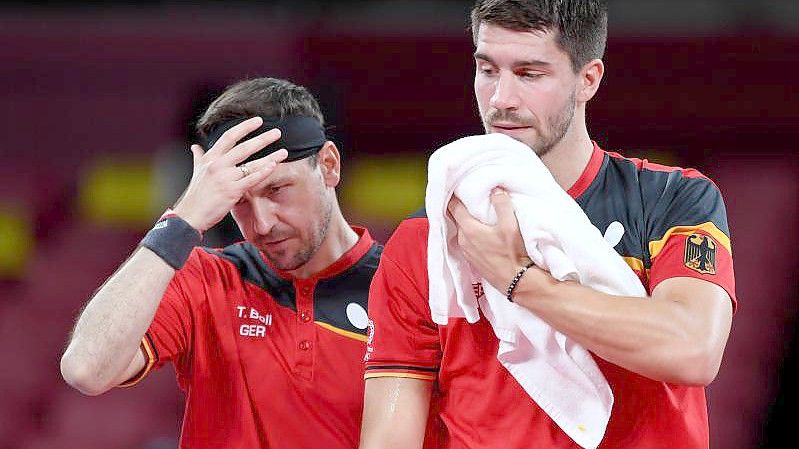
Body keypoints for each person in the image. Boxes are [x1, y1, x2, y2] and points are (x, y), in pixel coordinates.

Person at [359, 1, 736, 448]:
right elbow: (390, 433)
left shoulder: (673, 199)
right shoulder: (424, 240)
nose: (501, 99)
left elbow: (692, 349)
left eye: (529, 74)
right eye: (487, 70)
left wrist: (519, 280)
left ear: (588, 80)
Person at [61, 77, 382, 449]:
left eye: (276, 190)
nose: (262, 223)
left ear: (328, 165)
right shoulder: (206, 278)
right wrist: (182, 220)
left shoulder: (403, 285)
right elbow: (86, 368)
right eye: (240, 201)